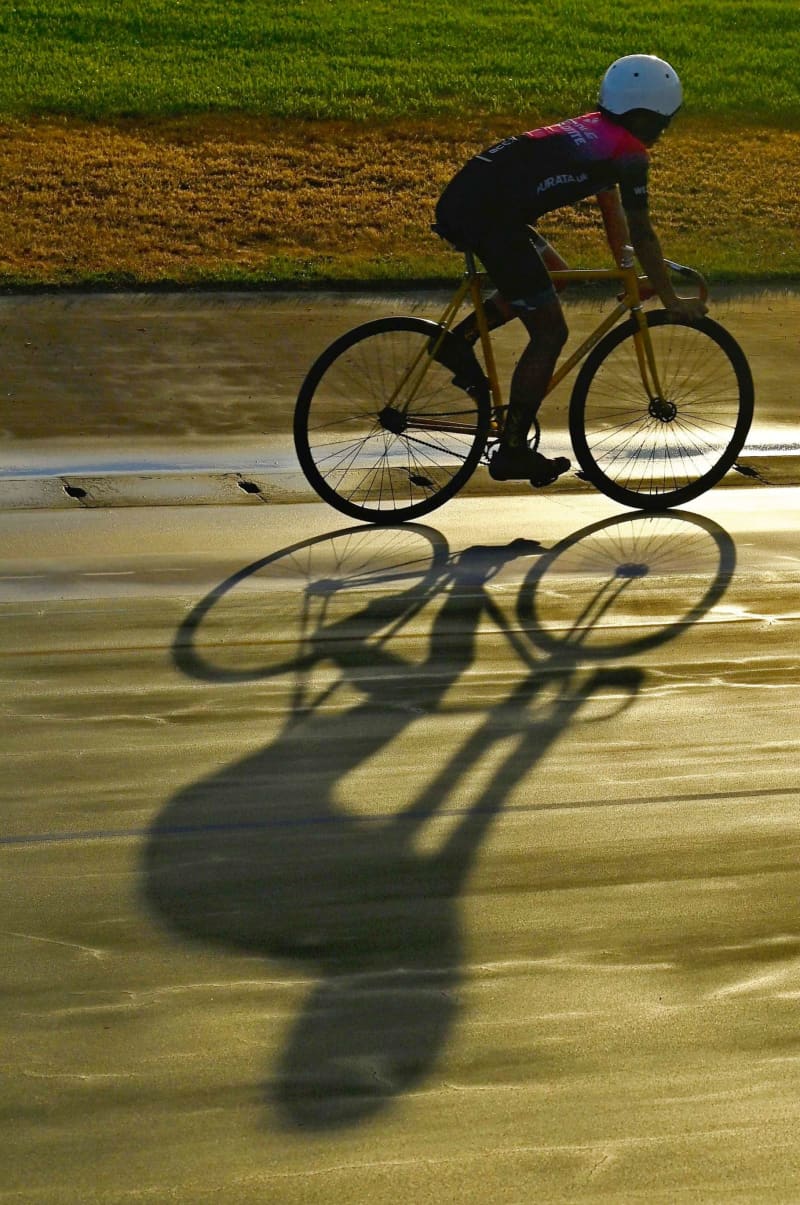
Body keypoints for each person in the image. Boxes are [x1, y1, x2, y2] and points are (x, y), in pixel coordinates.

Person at [432, 54, 708, 487]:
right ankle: (514, 450)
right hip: (489, 218)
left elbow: (612, 211)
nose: (663, 133)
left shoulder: (598, 130)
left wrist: (629, 273)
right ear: (646, 113)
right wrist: (671, 297)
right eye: (663, 122)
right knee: (550, 332)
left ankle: (458, 342)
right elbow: (643, 229)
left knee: (554, 275)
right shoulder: (629, 153)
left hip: (473, 198)